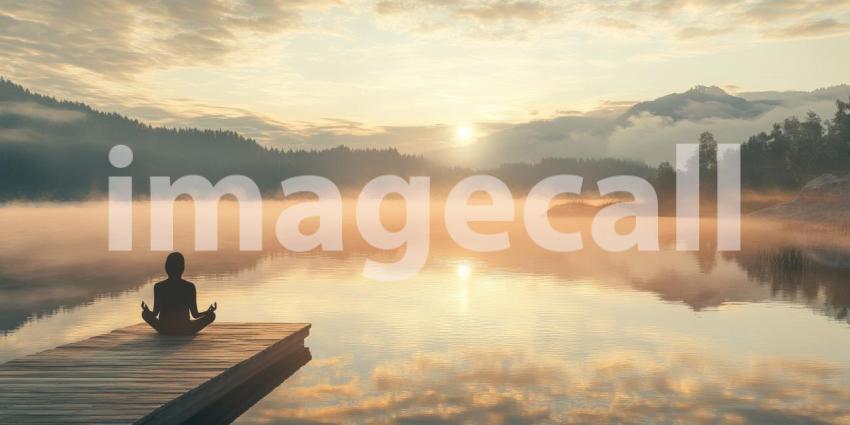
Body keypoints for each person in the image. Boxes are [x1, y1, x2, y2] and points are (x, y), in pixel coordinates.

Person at [142, 252, 217, 335]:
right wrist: (208, 312)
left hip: (165, 329)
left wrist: (146, 311)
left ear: (167, 267)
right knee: (212, 315)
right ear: (182, 268)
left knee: (144, 314)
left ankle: (167, 330)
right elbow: (195, 315)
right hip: (185, 329)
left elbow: (155, 314)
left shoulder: (159, 286)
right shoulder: (190, 286)